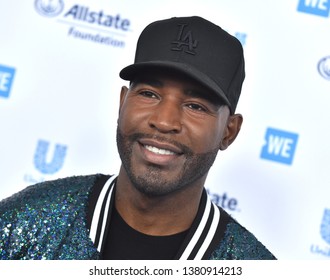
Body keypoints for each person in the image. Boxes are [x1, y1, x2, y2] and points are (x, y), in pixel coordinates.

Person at [0, 16, 276, 260]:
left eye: (195, 106)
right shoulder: (26, 218)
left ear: (229, 131)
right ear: (122, 103)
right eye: (148, 94)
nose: (164, 121)